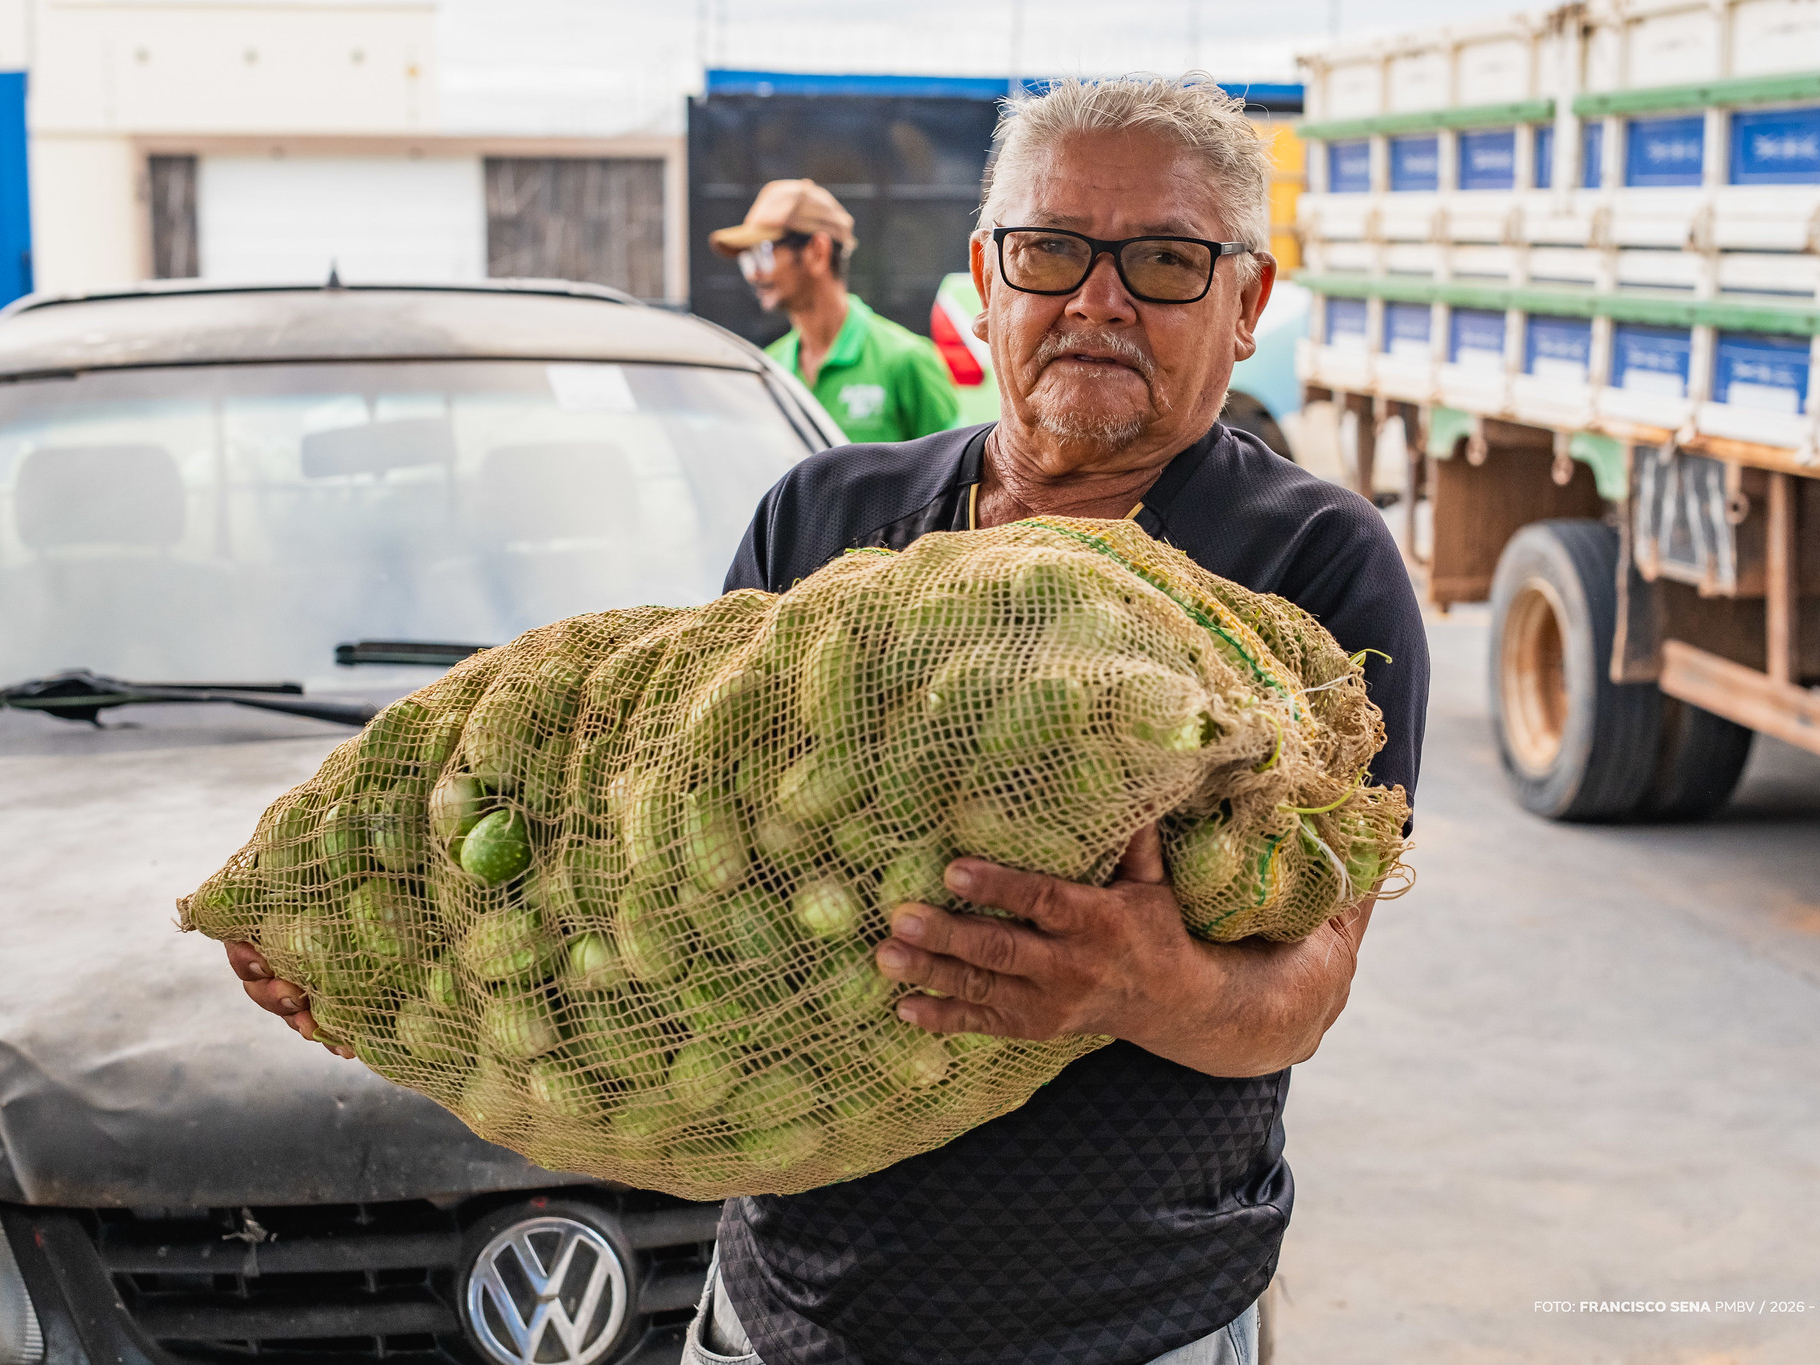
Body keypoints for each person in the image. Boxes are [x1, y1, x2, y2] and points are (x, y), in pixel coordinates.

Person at [228, 75, 1429, 1365]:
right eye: (1049, 252)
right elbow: (647, 866)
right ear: (985, 275)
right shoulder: (822, 518)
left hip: (1127, 1327)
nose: (1096, 299)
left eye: (1162, 261)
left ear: (1245, 302)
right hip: (780, 1317)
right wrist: (383, 944)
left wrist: (1146, 985)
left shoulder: (1309, 568)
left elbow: (1306, 991)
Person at [710, 177, 960, 444]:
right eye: (748, 260)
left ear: (817, 251)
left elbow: (956, 474)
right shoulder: (771, 370)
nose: (754, 274)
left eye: (763, 253)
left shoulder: (906, 361)